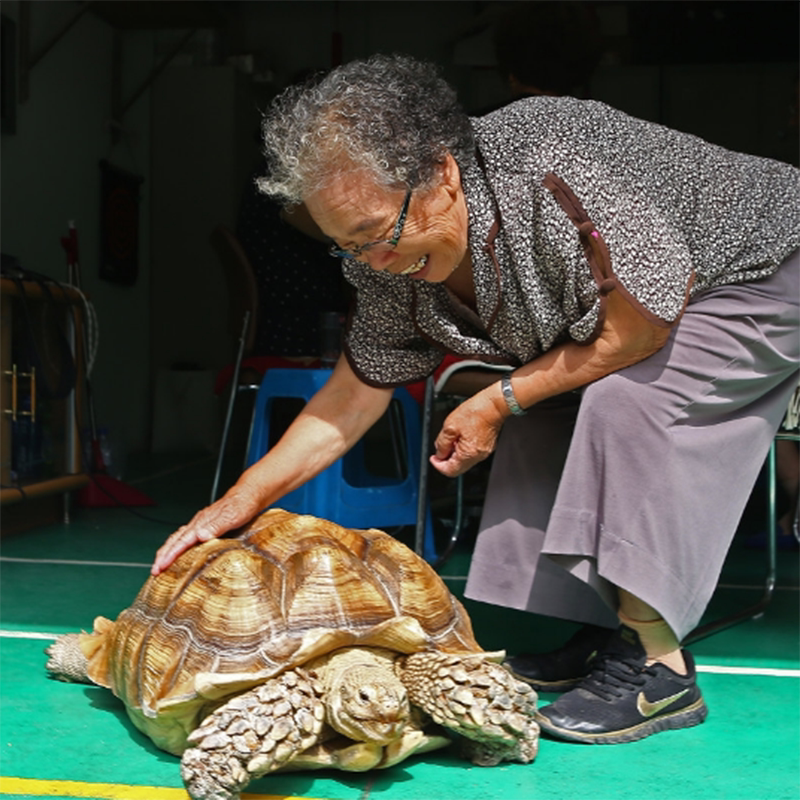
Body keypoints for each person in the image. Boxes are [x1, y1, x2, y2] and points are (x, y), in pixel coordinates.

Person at [153, 54, 800, 745]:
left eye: (375, 235)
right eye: (346, 249)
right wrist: (240, 500)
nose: (371, 261)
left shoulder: (551, 164)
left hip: (764, 265)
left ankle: (657, 665)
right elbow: (352, 397)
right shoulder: (385, 262)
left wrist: (497, 399)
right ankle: (608, 627)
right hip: (661, 302)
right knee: (544, 416)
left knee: (625, 402)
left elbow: (636, 330)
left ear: (443, 175)